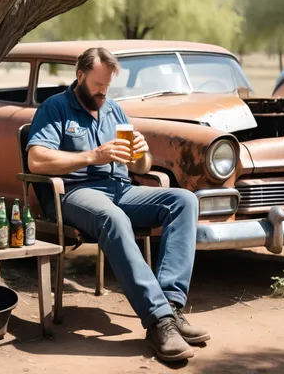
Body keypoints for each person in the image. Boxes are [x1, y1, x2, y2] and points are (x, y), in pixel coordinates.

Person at [27, 47, 209, 362]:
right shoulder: (54, 108)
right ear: (79, 75)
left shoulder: (114, 110)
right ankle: (158, 321)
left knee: (184, 201)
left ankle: (171, 307)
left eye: (108, 85)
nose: (103, 92)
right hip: (76, 192)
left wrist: (141, 154)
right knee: (113, 218)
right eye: (98, 84)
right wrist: (92, 156)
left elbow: (140, 167)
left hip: (122, 188)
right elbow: (36, 159)